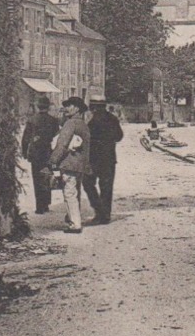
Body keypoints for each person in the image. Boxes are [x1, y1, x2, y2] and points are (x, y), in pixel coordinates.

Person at [46, 97, 91, 233]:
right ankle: (71, 217)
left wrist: (52, 162)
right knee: (75, 192)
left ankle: (75, 224)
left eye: (69, 106)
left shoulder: (70, 124)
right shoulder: (83, 125)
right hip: (80, 164)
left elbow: (62, 145)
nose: (66, 108)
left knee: (69, 193)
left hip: (69, 163)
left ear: (77, 108)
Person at [84, 99, 123, 224]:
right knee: (106, 187)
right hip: (109, 158)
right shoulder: (112, 119)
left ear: (94, 107)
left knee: (88, 183)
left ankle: (99, 211)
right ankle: (105, 215)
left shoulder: (92, 121)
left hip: (94, 158)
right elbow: (119, 136)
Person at [21, 95, 59, 214]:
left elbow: (25, 138)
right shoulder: (53, 120)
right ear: (48, 107)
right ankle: (46, 203)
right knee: (46, 176)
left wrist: (24, 152)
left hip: (35, 153)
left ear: (38, 106)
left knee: (37, 179)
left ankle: (39, 206)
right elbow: (55, 136)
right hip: (47, 152)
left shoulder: (32, 120)